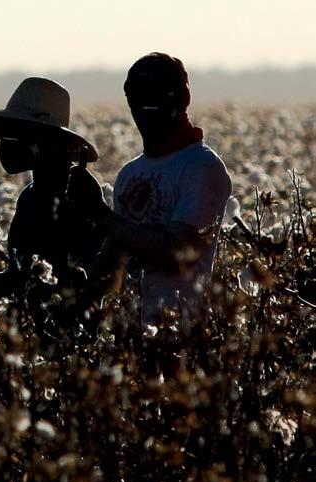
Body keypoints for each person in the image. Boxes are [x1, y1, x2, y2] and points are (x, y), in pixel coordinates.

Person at [72, 53, 232, 334]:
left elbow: (177, 253)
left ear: (179, 100)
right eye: (137, 97)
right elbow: (113, 262)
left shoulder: (202, 167)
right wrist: (73, 295)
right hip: (128, 337)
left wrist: (99, 213)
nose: (144, 109)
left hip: (178, 335)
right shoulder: (130, 174)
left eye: (154, 96)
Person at [0, 77, 102, 324]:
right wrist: (6, 282)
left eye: (19, 134)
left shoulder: (80, 192)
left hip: (69, 334)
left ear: (45, 140)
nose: (10, 142)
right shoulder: (31, 195)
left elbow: (92, 275)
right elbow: (25, 266)